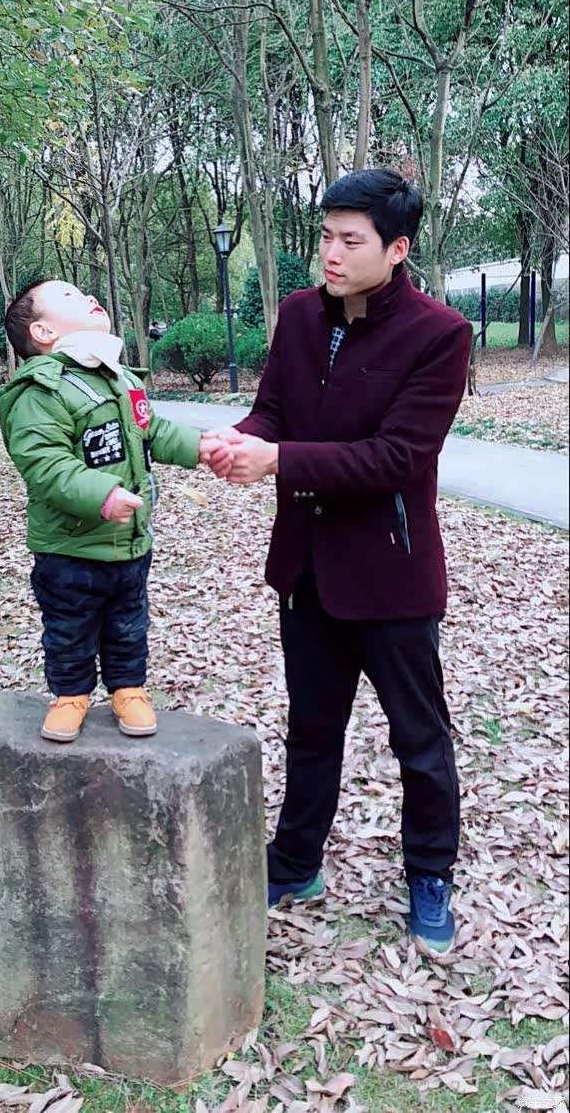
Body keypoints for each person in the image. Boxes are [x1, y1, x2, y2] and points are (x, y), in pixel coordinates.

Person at [205, 169, 472, 954]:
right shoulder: (298, 314)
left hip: (392, 577)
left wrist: (279, 459)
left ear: (398, 248)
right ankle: (296, 861)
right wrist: (240, 437)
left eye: (351, 240)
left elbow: (397, 457)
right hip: (307, 568)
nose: (331, 252)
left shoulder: (439, 334)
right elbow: (274, 410)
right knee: (312, 728)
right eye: (325, 235)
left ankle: (430, 871)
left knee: (419, 738)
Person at [0, 278, 226, 743]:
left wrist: (199, 445)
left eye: (83, 292)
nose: (87, 297)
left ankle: (129, 689)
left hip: (130, 543)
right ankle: (70, 695)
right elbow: (45, 463)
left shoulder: (121, 378)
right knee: (69, 628)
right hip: (70, 548)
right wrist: (102, 494)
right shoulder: (40, 391)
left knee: (129, 623)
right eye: (68, 296)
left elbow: (152, 430)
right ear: (43, 331)